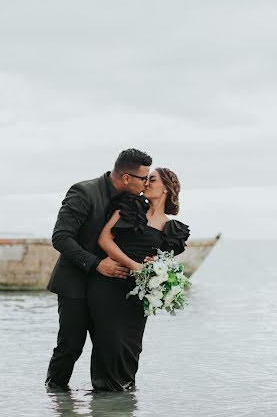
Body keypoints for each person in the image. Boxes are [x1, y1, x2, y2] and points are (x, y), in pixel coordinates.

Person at [45, 148, 153, 389]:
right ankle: (55, 400)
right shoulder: (84, 192)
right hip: (75, 284)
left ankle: (108, 410)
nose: (147, 183)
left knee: (109, 348)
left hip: (108, 290)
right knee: (70, 347)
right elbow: (61, 238)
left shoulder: (135, 201)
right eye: (144, 178)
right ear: (126, 178)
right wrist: (96, 263)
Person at [88, 167, 190, 391]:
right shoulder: (130, 208)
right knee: (108, 343)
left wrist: (156, 265)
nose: (145, 183)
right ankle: (103, 398)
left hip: (138, 294)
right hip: (109, 284)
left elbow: (164, 261)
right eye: (145, 179)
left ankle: (123, 404)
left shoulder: (173, 229)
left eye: (151, 180)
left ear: (165, 188)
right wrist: (132, 265)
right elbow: (105, 240)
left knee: (131, 346)